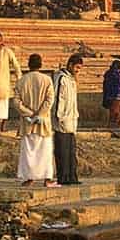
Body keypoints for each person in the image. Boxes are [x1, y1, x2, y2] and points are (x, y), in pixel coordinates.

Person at [15, 54, 57, 187]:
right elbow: (49, 100)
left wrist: (29, 114)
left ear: (29, 64)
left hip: (27, 123)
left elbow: (16, 102)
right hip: (43, 123)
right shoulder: (47, 80)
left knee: (28, 151)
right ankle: (47, 179)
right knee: (45, 151)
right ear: (41, 64)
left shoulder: (21, 81)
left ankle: (29, 178)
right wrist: (40, 114)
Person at [52, 55, 83, 186]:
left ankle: (72, 177)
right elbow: (58, 98)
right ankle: (63, 177)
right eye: (76, 67)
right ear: (70, 65)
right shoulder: (61, 78)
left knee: (71, 152)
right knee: (62, 151)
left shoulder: (71, 79)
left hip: (71, 120)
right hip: (62, 120)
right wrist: (59, 117)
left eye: (79, 68)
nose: (77, 70)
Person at [102, 60, 120, 128]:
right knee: (116, 111)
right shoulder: (118, 74)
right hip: (116, 96)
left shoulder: (108, 74)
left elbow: (106, 86)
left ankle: (113, 124)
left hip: (110, 95)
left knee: (114, 110)